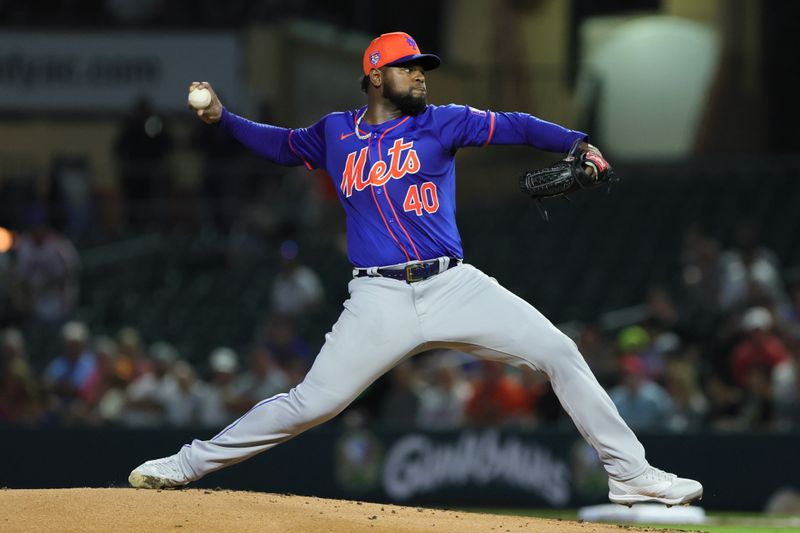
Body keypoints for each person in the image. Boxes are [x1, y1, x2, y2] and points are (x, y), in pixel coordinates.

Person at [129, 32, 702, 506]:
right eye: (409, 67)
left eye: (423, 67)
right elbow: (279, 145)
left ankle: (630, 474)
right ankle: (185, 464)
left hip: (453, 283)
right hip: (378, 299)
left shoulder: (443, 122)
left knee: (558, 351)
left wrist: (575, 140)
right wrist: (224, 118)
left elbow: (516, 125)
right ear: (377, 76)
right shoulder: (335, 132)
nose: (421, 75)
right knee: (311, 404)